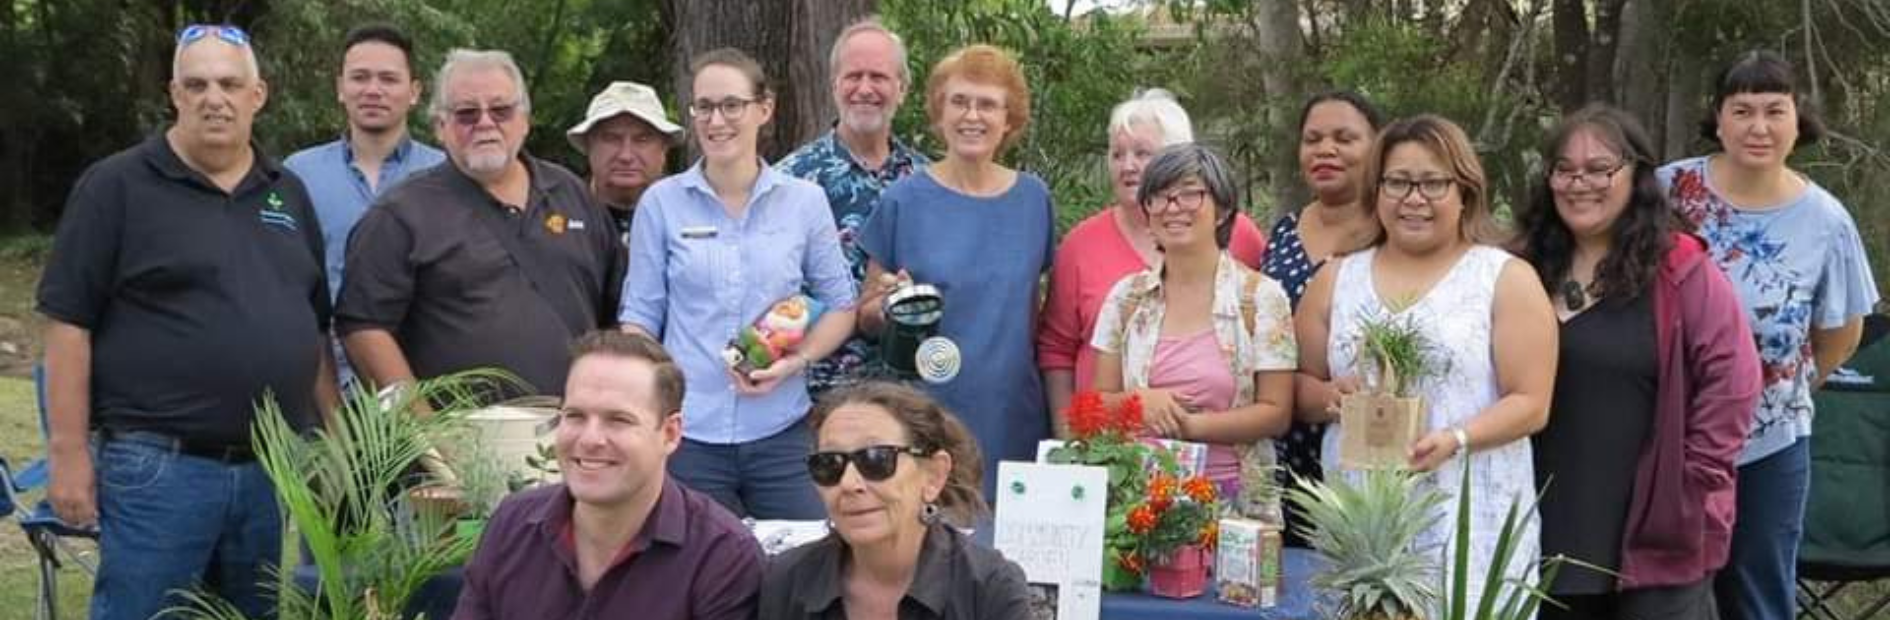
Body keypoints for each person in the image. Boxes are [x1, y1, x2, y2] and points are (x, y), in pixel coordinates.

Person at [36, 24, 338, 620]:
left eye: (229, 83)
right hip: (159, 468)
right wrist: (67, 453)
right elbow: (68, 325)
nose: (213, 98)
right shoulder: (115, 186)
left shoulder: (287, 193)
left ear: (259, 95)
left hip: (266, 473)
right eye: (196, 84)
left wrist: (334, 443)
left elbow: (312, 327)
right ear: (174, 94)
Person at [1295, 115, 1558, 614]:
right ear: (1376, 191)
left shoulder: (1503, 278)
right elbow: (1296, 388)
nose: (1414, 199)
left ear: (1465, 191)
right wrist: (1330, 398)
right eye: (1397, 182)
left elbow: (1531, 402)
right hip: (1366, 528)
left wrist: (1455, 439)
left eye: (1434, 183)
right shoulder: (1336, 279)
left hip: (1466, 514)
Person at [1657, 51, 1880, 620]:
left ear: (1797, 119)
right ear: (1719, 117)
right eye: (1743, 110)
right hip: (1665, 434)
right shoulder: (1667, 193)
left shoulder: (1826, 221)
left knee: (1758, 593)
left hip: (1771, 441)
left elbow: (1841, 333)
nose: (1759, 127)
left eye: (1774, 110)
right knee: (1664, 590)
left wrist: (1780, 386)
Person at [1519, 104, 1762, 620]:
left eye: (1600, 168)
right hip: (1536, 534)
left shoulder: (1681, 269)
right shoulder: (1519, 268)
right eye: (1564, 168)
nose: (1579, 182)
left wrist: (1691, 484)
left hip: (1654, 536)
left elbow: (1734, 383)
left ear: (1637, 176)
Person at [619, 48, 857, 519]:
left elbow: (841, 306)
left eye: (732, 105)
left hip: (782, 430)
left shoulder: (804, 202)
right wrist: (668, 387)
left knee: (801, 569)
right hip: (690, 436)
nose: (716, 120)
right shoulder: (661, 203)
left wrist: (795, 363)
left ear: (763, 110)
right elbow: (638, 321)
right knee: (700, 578)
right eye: (703, 106)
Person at [337, 49, 626, 398]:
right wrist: (423, 431)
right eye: (467, 114)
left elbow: (618, 310)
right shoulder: (400, 215)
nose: (486, 123)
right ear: (440, 127)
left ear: (525, 119)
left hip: (576, 432)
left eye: (501, 111)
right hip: (461, 444)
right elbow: (363, 328)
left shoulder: (573, 195)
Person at [453, 331, 763, 620]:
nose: (590, 439)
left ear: (670, 433)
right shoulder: (512, 524)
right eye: (575, 416)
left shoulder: (721, 556)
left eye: (618, 420)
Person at [857, 44, 1053, 489]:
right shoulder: (902, 200)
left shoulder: (1033, 200)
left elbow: (1032, 312)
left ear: (1009, 119)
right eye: (960, 101)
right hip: (927, 415)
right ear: (939, 113)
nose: (972, 115)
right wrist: (886, 305)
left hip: (1012, 414)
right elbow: (866, 318)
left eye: (988, 104)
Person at [1037, 89, 1269, 434]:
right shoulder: (1080, 246)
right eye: (1117, 154)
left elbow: (1267, 339)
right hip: (1113, 446)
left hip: (1226, 447)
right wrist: (1068, 436)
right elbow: (1056, 350)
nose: (1127, 166)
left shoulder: (1240, 236)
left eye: (1142, 153)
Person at [1089, 144, 1296, 500]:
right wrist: (1139, 403)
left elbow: (1276, 413)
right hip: (1139, 508)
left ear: (1222, 210)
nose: (1173, 208)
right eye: (1159, 197)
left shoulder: (1260, 298)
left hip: (1236, 506)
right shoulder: (1126, 298)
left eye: (1190, 195)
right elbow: (1097, 404)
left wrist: (1189, 426)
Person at [757, 381, 1031, 619]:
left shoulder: (988, 588)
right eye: (829, 464)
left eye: (877, 459)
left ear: (934, 475)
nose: (849, 483)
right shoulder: (787, 580)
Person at [778, 17, 930, 395]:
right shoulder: (789, 181)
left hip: (909, 397)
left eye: (878, 77)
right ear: (834, 87)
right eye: (853, 76)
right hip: (812, 396)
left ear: (902, 89)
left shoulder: (931, 181)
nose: (865, 88)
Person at [1266, 90, 1383, 546]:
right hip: (1286, 439)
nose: (1325, 150)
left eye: (1344, 138)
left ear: (1377, 147)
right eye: (1312, 139)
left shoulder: (1397, 232)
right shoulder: (1283, 231)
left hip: (1364, 442)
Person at [284, 23, 446, 304]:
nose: (373, 90)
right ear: (340, 88)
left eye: (388, 79)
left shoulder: (446, 174)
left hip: (423, 345)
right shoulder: (298, 173)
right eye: (360, 77)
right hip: (322, 344)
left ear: (414, 92)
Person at [565, 80, 683, 238]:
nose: (625, 156)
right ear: (588, 146)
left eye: (641, 140)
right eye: (611, 139)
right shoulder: (560, 216)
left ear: (664, 149)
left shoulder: (692, 216)